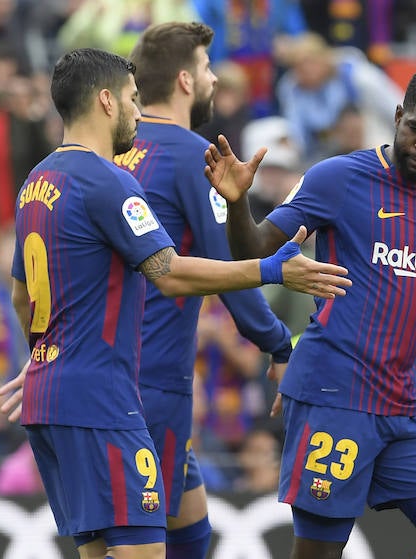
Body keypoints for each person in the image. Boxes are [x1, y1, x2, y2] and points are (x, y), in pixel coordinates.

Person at [0, 47, 350, 559]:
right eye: (133, 100)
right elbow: (169, 272)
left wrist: (44, 356)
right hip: (104, 400)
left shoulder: (35, 182)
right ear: (105, 100)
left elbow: (20, 295)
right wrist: (270, 269)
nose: (139, 113)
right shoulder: (109, 180)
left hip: (48, 401)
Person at [203, 65, 416, 559]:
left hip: (406, 401)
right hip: (336, 394)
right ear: (397, 116)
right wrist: (238, 203)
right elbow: (258, 250)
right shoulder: (338, 177)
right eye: (415, 128)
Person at [120, 22, 297, 559]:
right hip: (154, 379)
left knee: (188, 521)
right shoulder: (193, 156)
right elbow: (229, 270)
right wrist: (278, 343)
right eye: (206, 67)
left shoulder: (110, 153)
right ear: (183, 80)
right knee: (140, 541)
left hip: (111, 367)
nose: (215, 78)